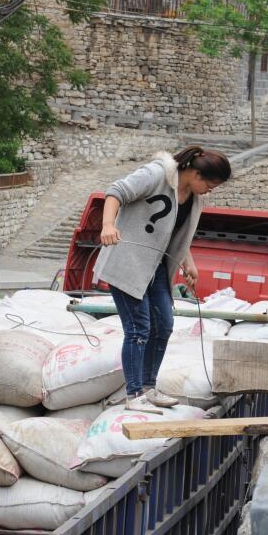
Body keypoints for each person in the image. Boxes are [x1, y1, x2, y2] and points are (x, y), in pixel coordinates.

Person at [94, 146, 231, 412]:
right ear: (195, 172)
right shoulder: (157, 175)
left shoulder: (193, 197)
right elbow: (115, 192)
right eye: (210, 185)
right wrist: (108, 225)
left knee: (164, 324)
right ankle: (134, 395)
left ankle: (148, 387)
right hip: (127, 261)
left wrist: (187, 262)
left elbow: (173, 232)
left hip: (156, 265)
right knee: (139, 328)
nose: (209, 191)